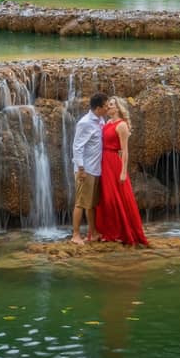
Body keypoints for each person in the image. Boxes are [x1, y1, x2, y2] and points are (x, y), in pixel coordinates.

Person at [96, 97, 148, 246]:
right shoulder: (107, 123)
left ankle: (122, 231)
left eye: (111, 105)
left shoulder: (122, 125)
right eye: (108, 105)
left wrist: (123, 171)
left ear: (118, 108)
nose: (108, 107)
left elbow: (125, 151)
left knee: (116, 198)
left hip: (114, 162)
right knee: (106, 198)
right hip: (103, 161)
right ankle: (108, 231)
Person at [71, 92, 109, 245]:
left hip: (96, 169)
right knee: (80, 203)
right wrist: (81, 169)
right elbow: (77, 147)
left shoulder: (100, 120)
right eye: (106, 106)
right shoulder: (85, 122)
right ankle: (75, 235)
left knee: (91, 204)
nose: (107, 108)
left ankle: (92, 233)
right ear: (98, 108)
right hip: (85, 170)